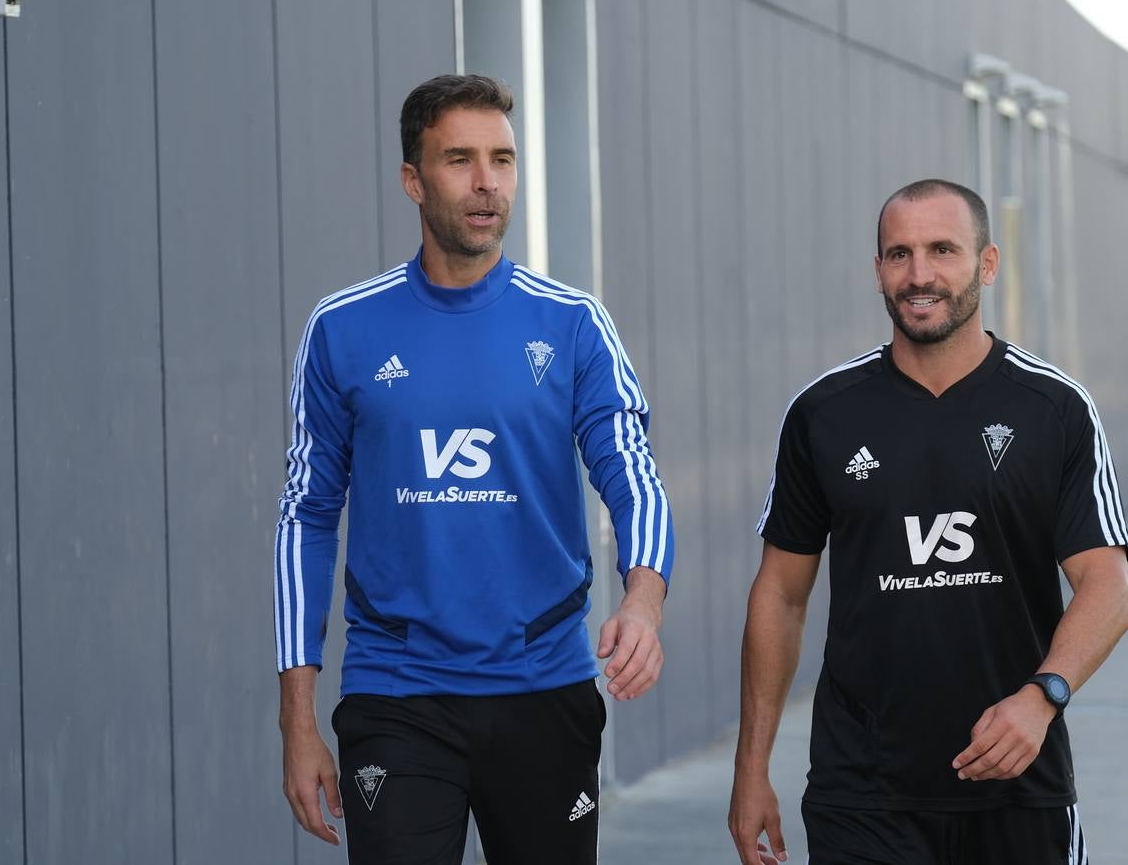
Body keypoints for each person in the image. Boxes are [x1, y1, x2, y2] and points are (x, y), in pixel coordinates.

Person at [274, 73, 674, 864]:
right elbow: (306, 517)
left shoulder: (572, 325)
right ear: (413, 181)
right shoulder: (344, 327)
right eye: (460, 160)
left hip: (545, 688)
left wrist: (644, 601)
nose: (487, 182)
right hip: (397, 691)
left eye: (503, 159)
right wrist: (297, 720)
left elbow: (632, 476)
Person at [728, 178, 1128, 865]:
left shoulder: (1054, 408)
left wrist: (1042, 697)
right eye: (898, 254)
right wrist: (751, 767)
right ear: (878, 270)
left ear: (988, 263)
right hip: (862, 789)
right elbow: (781, 595)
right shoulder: (824, 413)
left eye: (942, 250)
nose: (920, 275)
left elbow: (1108, 579)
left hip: (1016, 786)